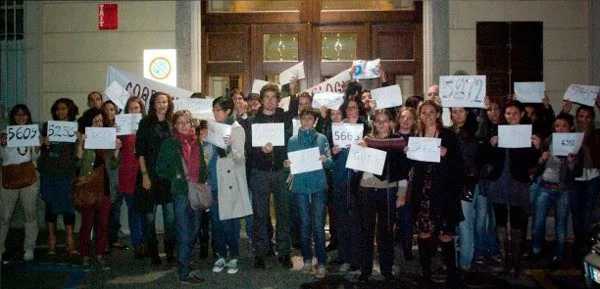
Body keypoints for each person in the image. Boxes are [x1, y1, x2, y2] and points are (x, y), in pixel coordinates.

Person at [406, 100, 464, 288]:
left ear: (438, 114)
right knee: (423, 232)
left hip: (444, 193)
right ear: (420, 115)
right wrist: (408, 153)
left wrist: (447, 154)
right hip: (422, 192)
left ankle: (452, 276)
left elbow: (460, 166)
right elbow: (411, 167)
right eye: (424, 113)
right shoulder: (416, 136)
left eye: (431, 112)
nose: (428, 116)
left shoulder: (449, 135)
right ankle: (426, 275)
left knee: (445, 234)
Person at [482, 100, 541, 278]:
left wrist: (536, 148)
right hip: (498, 179)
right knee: (500, 220)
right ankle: (503, 260)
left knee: (518, 221)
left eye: (515, 113)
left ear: (522, 114)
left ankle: (515, 263)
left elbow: (532, 162)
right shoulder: (496, 130)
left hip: (518, 181)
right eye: (508, 113)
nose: (511, 116)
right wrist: (491, 145)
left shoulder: (528, 133)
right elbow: (487, 158)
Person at [156, 110, 207, 285]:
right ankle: (184, 273)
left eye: (187, 122)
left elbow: (202, 167)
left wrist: (202, 176)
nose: (184, 126)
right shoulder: (170, 143)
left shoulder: (196, 142)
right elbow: (160, 168)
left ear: (192, 124)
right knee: (184, 231)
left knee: (194, 230)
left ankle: (185, 261)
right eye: (180, 123)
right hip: (180, 193)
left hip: (196, 191)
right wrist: (177, 174)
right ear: (175, 125)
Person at [355, 109, 406, 283]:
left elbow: (402, 171)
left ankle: (386, 269)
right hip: (366, 188)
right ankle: (365, 270)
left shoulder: (398, 142)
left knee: (386, 232)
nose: (382, 124)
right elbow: (355, 168)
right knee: (366, 230)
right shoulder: (367, 140)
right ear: (374, 123)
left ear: (391, 122)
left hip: (388, 189)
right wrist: (359, 151)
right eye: (378, 121)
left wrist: (402, 193)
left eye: (385, 120)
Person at [247, 83, 294, 269]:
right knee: (260, 214)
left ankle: (284, 252)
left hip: (281, 172)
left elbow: (290, 142)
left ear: (278, 100)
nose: (270, 101)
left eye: (274, 97)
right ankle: (260, 253)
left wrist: (284, 157)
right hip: (259, 172)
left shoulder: (285, 118)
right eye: (266, 97)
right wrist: (260, 150)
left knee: (284, 213)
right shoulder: (252, 121)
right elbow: (248, 150)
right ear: (261, 100)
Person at [285, 108, 333, 278]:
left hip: (318, 186)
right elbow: (290, 164)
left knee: (318, 225)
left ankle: (321, 262)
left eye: (310, 119)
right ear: (300, 120)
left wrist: (326, 160)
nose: (306, 122)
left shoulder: (322, 138)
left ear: (314, 121)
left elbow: (330, 162)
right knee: (304, 225)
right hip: (300, 187)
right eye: (304, 119)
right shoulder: (292, 140)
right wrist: (286, 164)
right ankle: (306, 260)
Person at [207, 96, 253, 274]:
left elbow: (241, 159)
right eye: (214, 110)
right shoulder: (213, 128)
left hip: (230, 180)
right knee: (216, 222)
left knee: (230, 223)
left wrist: (229, 148)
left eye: (217, 109)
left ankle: (233, 256)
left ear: (227, 111)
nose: (215, 113)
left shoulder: (237, 129)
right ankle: (220, 255)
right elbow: (210, 154)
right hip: (214, 179)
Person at [530, 113, 582, 268]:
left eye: (564, 126)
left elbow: (577, 171)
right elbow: (537, 165)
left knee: (561, 225)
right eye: (557, 126)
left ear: (570, 127)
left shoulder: (575, 144)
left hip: (564, 190)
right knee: (538, 222)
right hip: (545, 187)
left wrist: (571, 163)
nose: (560, 129)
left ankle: (558, 255)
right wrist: (542, 157)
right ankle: (536, 250)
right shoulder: (547, 142)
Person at [75, 107, 120, 271]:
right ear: (88, 123)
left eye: (100, 121)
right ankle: (85, 255)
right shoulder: (83, 138)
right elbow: (78, 164)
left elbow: (114, 164)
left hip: (105, 186)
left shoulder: (108, 138)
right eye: (95, 121)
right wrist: (81, 143)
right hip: (88, 186)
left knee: (103, 224)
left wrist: (116, 149)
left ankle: (100, 254)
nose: (98, 124)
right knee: (87, 224)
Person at [135, 91, 175, 265]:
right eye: (158, 102)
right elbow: (140, 151)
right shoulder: (145, 123)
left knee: (170, 218)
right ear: (153, 104)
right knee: (150, 218)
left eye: (165, 102)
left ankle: (170, 250)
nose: (162, 105)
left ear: (169, 104)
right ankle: (153, 251)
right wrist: (144, 175)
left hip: (168, 177)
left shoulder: (172, 123)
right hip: (149, 175)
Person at [38, 98, 80, 255]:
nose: (60, 112)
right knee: (50, 206)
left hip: (67, 173)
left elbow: (78, 154)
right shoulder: (48, 127)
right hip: (49, 172)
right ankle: (52, 240)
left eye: (63, 108)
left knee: (69, 206)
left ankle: (70, 241)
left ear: (70, 110)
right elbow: (42, 150)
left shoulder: (76, 128)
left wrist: (79, 140)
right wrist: (45, 143)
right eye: (57, 109)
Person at [0, 104, 40, 262]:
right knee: (4, 216)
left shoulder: (32, 134)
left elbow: (35, 158)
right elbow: (4, 157)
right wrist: (3, 144)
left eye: (24, 114)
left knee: (30, 214)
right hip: (9, 177)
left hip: (29, 177)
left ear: (28, 116)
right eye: (17, 114)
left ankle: (29, 247)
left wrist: (37, 147)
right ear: (13, 117)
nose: (21, 117)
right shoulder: (5, 134)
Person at [449, 106, 480, 272]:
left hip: (466, 184)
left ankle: (465, 262)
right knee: (454, 224)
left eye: (461, 111)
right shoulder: (450, 131)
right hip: (451, 184)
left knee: (465, 223)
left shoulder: (474, 132)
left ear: (467, 113)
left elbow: (469, 160)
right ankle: (455, 261)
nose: (457, 115)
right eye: (454, 111)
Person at [568, 104, 600, 262]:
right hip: (575, 179)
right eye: (581, 116)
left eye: (587, 116)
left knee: (587, 213)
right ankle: (580, 245)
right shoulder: (571, 134)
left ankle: (580, 247)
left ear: (592, 119)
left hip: (593, 177)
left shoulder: (596, 134)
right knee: (576, 213)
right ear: (577, 118)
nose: (584, 120)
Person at [117, 97, 147, 259]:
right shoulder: (121, 128)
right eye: (131, 108)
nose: (134, 111)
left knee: (144, 211)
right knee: (133, 210)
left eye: (137, 108)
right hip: (128, 173)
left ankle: (146, 242)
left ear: (141, 110)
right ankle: (137, 244)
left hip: (144, 174)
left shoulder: (147, 125)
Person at [102, 100, 129, 252]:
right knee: (104, 210)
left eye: (111, 109)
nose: (108, 112)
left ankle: (113, 239)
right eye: (105, 109)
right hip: (103, 172)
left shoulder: (122, 128)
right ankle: (103, 241)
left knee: (116, 208)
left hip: (118, 173)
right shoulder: (98, 127)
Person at [395, 106, 418, 261]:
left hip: (412, 183)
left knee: (407, 217)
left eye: (409, 118)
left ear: (414, 120)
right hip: (393, 181)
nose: (406, 120)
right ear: (398, 119)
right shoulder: (392, 137)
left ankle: (407, 248)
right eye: (403, 117)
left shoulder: (418, 137)